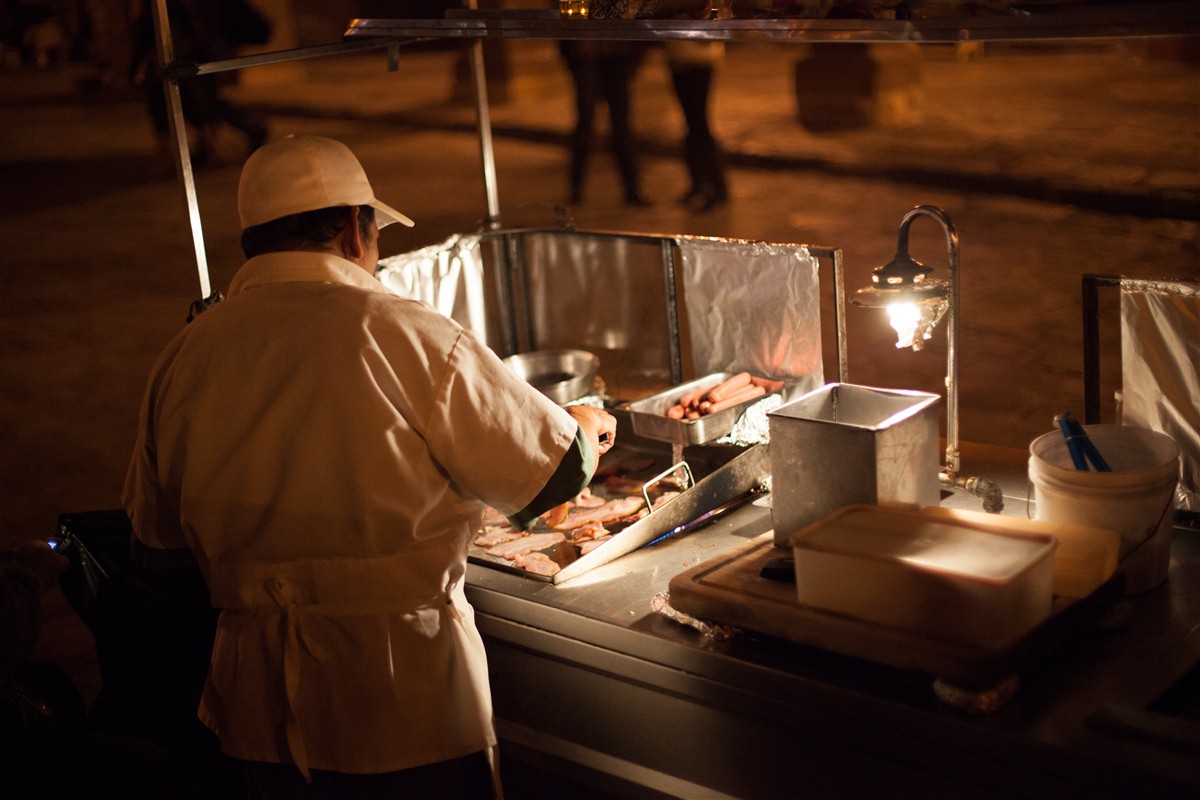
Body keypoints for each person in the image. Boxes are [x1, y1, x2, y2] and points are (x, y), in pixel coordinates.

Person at [122, 134, 618, 799]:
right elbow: (553, 475)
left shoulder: (183, 356)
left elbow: (156, 549)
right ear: (358, 230)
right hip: (405, 709)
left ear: (255, 243)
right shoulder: (402, 331)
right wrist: (584, 421)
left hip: (253, 720)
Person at [559, 38, 650, 207]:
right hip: (587, 59)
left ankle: (632, 189)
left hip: (616, 57)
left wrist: (635, 55)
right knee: (586, 122)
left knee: (621, 125)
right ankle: (575, 189)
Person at [665, 40, 729, 213]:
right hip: (680, 59)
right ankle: (701, 183)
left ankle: (712, 186)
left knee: (698, 124)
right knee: (692, 125)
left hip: (698, 60)